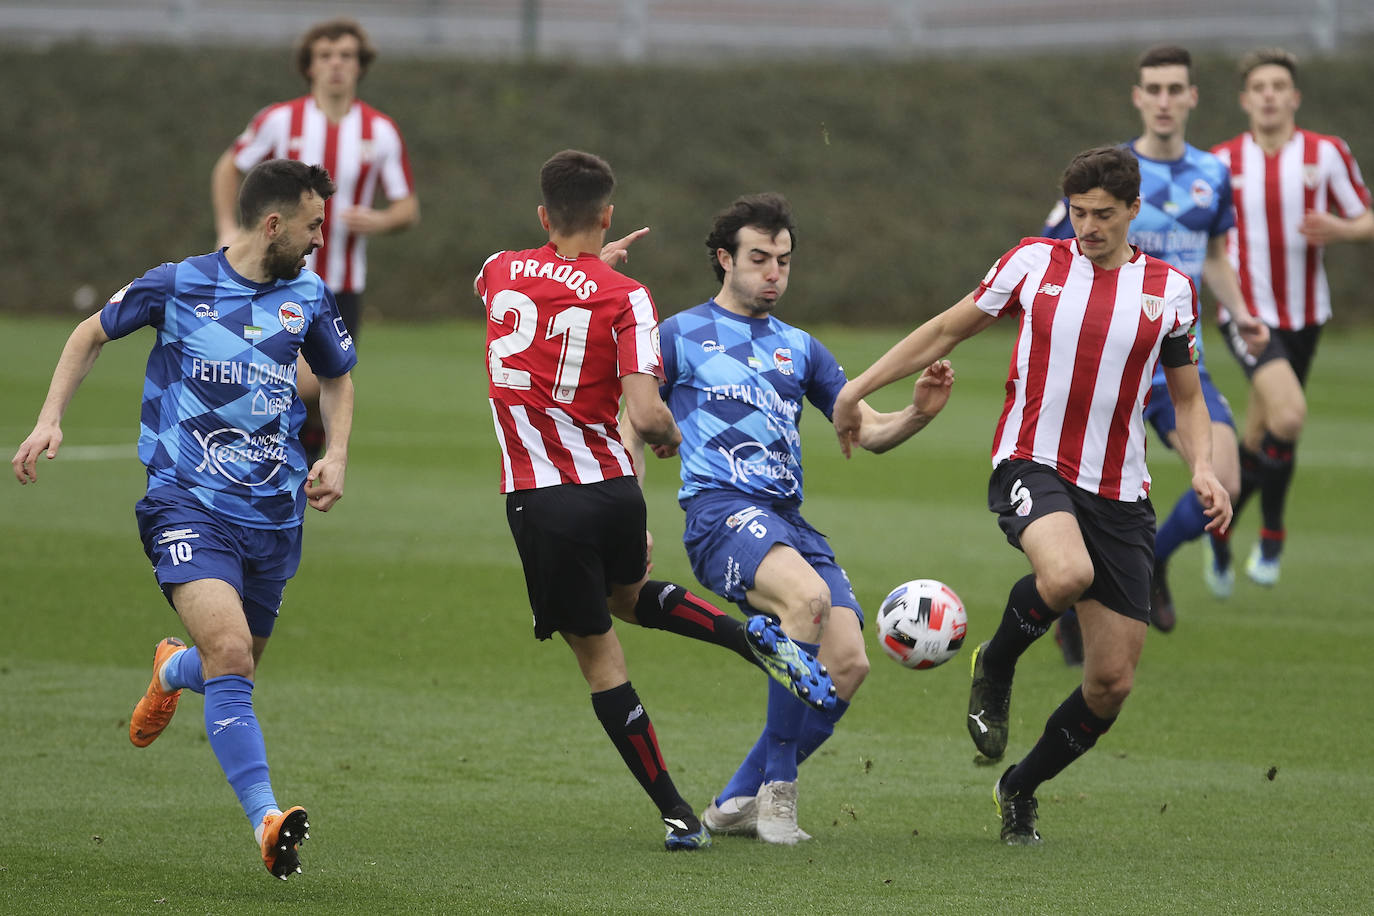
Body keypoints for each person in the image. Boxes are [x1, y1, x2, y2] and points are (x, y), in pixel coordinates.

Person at [833, 147, 1232, 845]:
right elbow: (946, 328)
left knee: (1110, 684)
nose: (1089, 227)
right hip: (1032, 461)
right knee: (1066, 573)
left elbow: (1189, 397)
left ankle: (1019, 786)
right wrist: (858, 387)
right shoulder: (1032, 263)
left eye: (1104, 215)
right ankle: (997, 662)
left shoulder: (1169, 290)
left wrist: (1201, 466)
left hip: (1121, 490)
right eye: (1078, 213)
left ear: (1134, 210)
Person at [474, 150, 837, 852]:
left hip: (542, 496)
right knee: (628, 596)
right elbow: (646, 415)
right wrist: (669, 438)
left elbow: (531, 304)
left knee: (603, 663)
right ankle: (748, 637)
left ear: (544, 216)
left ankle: (675, 813)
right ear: (608, 215)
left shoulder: (496, 270)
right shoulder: (626, 296)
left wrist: (577, 266)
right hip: (614, 490)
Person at [13, 159, 356, 879]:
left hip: (275, 514)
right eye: (314, 223)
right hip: (186, 503)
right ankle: (266, 818)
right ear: (273, 223)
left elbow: (337, 376)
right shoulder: (179, 284)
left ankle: (172, 668)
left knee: (236, 664)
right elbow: (89, 333)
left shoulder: (309, 294)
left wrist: (338, 455)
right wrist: (50, 421)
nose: (323, 236)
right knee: (233, 654)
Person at [626, 192, 953, 844]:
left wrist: (917, 412)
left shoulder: (800, 348)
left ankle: (734, 801)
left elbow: (870, 430)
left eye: (783, 260)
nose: (773, 272)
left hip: (786, 522)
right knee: (803, 602)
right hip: (720, 515)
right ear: (724, 259)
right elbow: (631, 423)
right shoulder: (678, 335)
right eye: (758, 258)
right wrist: (630, 514)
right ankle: (778, 800)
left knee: (849, 665)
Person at [1039, 45, 1267, 655]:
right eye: (1153, 89)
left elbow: (1214, 258)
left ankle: (1153, 562)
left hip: (1171, 364)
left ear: (1192, 97)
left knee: (1225, 481)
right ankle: (1073, 603)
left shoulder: (1212, 174)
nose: (1164, 100)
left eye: (1175, 89)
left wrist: (1241, 314)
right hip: (1103, 369)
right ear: (1138, 97)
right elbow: (1051, 256)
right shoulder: (1108, 176)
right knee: (1088, 502)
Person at [211, 16, 417, 460]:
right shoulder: (280, 120)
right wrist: (227, 228)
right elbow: (229, 166)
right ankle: (268, 452)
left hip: (342, 284)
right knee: (301, 381)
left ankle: (301, 458)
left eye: (346, 55)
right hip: (277, 276)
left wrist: (379, 221)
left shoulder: (379, 131)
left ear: (361, 65)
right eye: (325, 56)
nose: (336, 65)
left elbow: (407, 207)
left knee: (326, 385)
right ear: (309, 65)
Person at [1208, 47, 1373, 587]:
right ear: (1245, 99)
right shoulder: (1221, 163)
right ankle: (1273, 538)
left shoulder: (1326, 154)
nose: (1270, 95)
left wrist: (1342, 229)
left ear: (1294, 96)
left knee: (1262, 437)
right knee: (1292, 416)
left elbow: (1366, 217)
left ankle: (1219, 532)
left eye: (1279, 85)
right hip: (1247, 317)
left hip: (1306, 315)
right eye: (1260, 87)